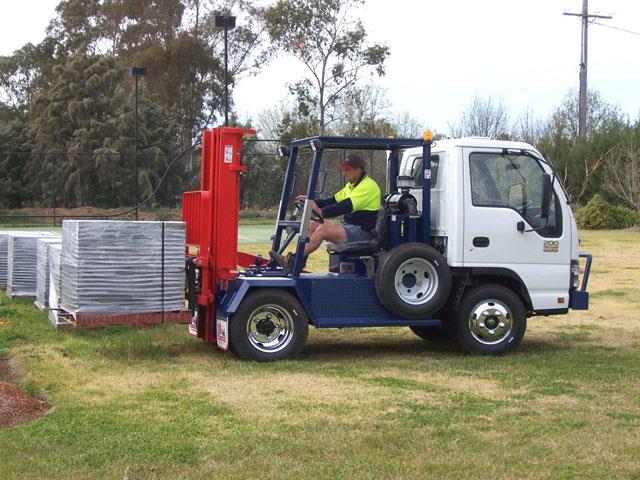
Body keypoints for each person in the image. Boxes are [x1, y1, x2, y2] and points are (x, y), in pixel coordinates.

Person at [270, 153, 381, 270]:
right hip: (351, 228)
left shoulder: (368, 186)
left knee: (323, 229)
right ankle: (299, 262)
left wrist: (322, 212)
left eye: (348, 170)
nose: (344, 173)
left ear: (358, 170)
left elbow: (345, 206)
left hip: (363, 232)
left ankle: (293, 260)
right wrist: (311, 201)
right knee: (312, 224)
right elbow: (332, 201)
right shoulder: (351, 186)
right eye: (344, 170)